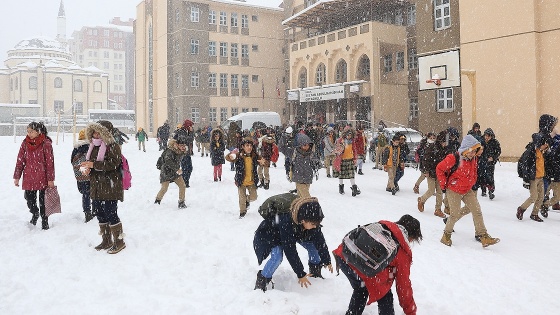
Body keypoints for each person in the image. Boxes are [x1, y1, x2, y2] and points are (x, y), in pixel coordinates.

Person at [333, 214, 422, 315]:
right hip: (360, 266)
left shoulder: (382, 226)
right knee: (385, 296)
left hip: (344, 255)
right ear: (412, 236)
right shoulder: (402, 250)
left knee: (361, 290)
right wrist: (411, 311)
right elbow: (403, 285)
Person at [253, 196, 332, 292]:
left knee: (313, 246)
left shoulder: (312, 223)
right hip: (271, 235)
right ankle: (262, 281)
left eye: (317, 224)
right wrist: (300, 273)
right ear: (303, 220)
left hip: (296, 233)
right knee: (277, 257)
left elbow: (320, 242)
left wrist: (327, 260)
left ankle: (315, 273)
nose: (315, 226)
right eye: (313, 224)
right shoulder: (286, 221)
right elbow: (290, 251)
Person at [437, 135, 500, 247]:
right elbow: (439, 169)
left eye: (474, 151)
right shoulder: (453, 158)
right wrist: (443, 185)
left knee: (477, 210)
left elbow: (474, 170)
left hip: (467, 189)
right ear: (465, 149)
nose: (473, 154)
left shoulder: (474, 158)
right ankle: (446, 236)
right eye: (471, 151)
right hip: (454, 190)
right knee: (454, 214)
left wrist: (473, 180)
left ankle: (483, 236)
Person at [81, 120, 126, 254]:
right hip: (97, 186)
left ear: (105, 133)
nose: (95, 134)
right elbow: (91, 163)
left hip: (110, 185)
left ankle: (119, 241)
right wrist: (87, 169)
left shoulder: (113, 146)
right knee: (100, 213)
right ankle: (106, 240)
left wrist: (94, 165)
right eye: (94, 132)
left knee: (111, 213)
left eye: (98, 132)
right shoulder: (93, 146)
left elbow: (113, 164)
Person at [13, 121, 55, 230]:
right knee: (29, 198)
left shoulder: (45, 143)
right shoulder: (25, 143)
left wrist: (50, 179)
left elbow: (50, 163)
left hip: (43, 177)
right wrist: (17, 176)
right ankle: (35, 213)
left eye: (31, 131)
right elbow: (20, 160)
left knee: (43, 201)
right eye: (28, 131)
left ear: (38, 132)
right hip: (29, 177)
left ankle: (45, 221)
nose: (29, 134)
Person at [226, 137, 266, 218]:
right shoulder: (239, 155)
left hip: (251, 181)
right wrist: (230, 156)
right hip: (241, 181)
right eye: (247, 145)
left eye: (250, 146)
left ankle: (247, 200)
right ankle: (242, 212)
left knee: (254, 197)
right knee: (241, 198)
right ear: (243, 147)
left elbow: (264, 162)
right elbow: (228, 158)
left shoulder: (254, 155)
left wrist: (263, 162)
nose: (249, 147)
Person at [516, 133, 550, 222]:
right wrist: (526, 180)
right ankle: (521, 209)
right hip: (533, 178)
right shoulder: (531, 152)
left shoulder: (542, 151)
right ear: (539, 143)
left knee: (541, 197)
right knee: (534, 197)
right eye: (544, 144)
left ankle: (534, 214)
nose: (546, 145)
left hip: (541, 177)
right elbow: (525, 166)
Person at [417, 131, 447, 218]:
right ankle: (421, 200)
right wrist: (426, 171)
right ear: (441, 141)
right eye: (444, 142)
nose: (445, 144)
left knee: (439, 192)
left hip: (439, 173)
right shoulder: (431, 147)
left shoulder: (444, 149)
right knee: (431, 190)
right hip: (430, 172)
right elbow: (425, 159)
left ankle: (438, 209)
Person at [154, 135, 188, 209]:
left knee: (182, 185)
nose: (183, 147)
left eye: (184, 145)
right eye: (181, 145)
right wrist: (177, 169)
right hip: (166, 172)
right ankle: (157, 200)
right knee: (164, 188)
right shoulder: (170, 151)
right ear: (177, 144)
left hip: (175, 172)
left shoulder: (181, 150)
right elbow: (168, 161)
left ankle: (181, 202)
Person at [71, 129, 94, 223]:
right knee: (93, 193)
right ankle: (94, 210)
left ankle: (87, 212)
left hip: (80, 175)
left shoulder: (76, 148)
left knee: (85, 193)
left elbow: (72, 160)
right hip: (90, 174)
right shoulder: (90, 147)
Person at [291, 133, 320, 198]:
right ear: (300, 145)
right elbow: (282, 148)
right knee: (306, 197)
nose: (307, 147)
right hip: (298, 177)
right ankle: (310, 206)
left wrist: (317, 163)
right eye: (304, 145)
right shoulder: (295, 152)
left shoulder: (311, 154)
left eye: (308, 145)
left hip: (308, 177)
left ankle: (298, 207)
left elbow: (317, 162)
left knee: (300, 197)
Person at [334, 128, 361, 196]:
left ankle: (354, 188)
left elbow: (354, 150)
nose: (349, 136)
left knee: (351, 175)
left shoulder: (352, 141)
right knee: (341, 175)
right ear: (345, 134)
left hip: (350, 160)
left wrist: (355, 158)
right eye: (348, 135)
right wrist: (339, 147)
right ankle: (341, 188)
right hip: (342, 160)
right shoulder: (340, 140)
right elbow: (337, 150)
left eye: (350, 135)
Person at [476, 128, 501, 199]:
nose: (487, 137)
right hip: (481, 161)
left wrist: (493, 157)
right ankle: (483, 190)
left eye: (488, 136)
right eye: (486, 136)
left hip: (490, 163)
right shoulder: (481, 141)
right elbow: (476, 150)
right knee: (481, 175)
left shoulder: (495, 142)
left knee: (490, 176)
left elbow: (498, 151)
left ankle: (491, 191)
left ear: (491, 136)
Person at [174, 119, 195, 188]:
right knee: (185, 168)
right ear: (188, 126)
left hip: (186, 153)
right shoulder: (182, 132)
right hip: (182, 153)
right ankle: (184, 182)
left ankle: (185, 181)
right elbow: (189, 139)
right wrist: (191, 133)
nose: (192, 127)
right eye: (191, 126)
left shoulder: (186, 131)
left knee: (189, 168)